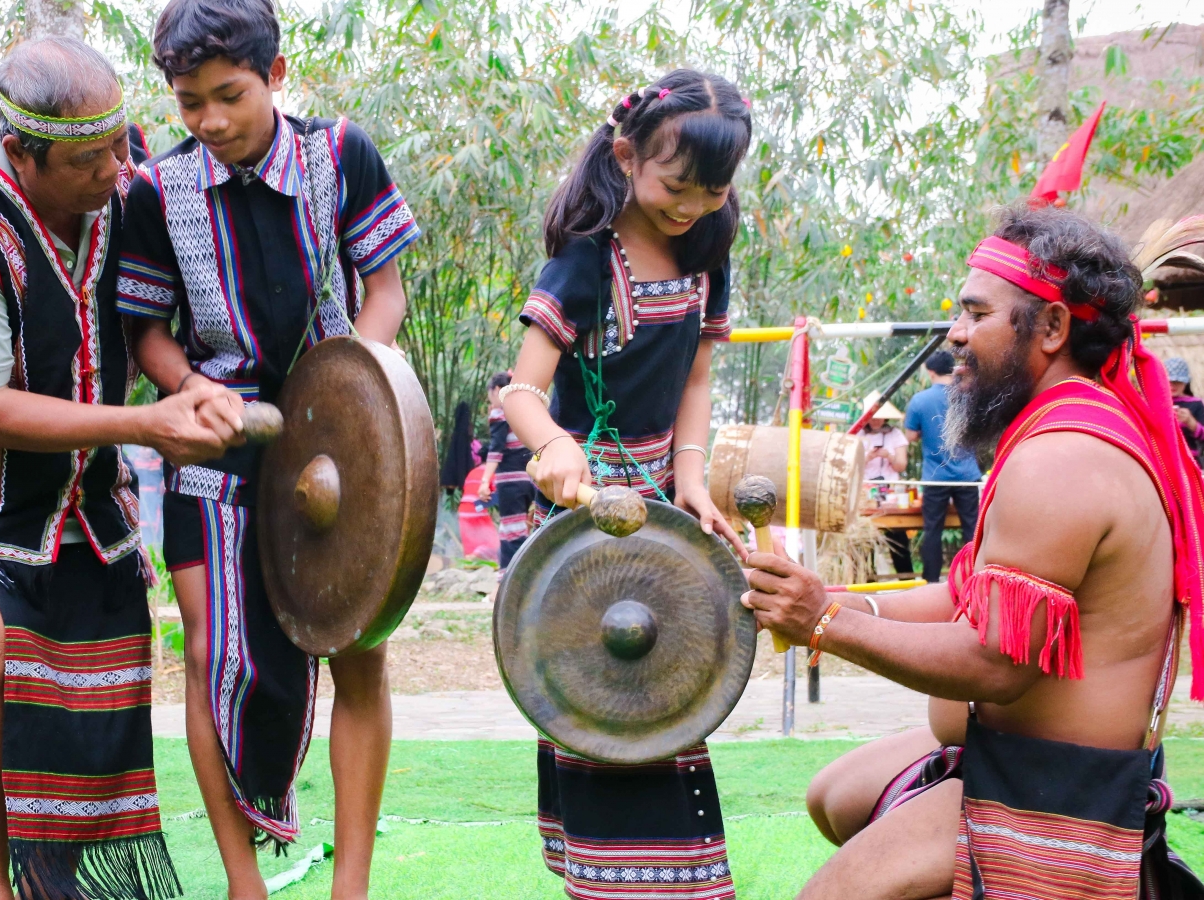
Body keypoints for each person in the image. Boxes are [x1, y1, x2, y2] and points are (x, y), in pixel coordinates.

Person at [744, 205, 1204, 899]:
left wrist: (825, 626)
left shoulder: (1062, 460)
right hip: (1014, 758)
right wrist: (840, 600)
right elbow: (970, 596)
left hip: (1058, 797)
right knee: (836, 794)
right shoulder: (1057, 427)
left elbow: (997, 665)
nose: (955, 333)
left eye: (974, 313)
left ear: (1051, 327)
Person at [0, 37, 242, 900]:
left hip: (79, 488)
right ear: (20, 151)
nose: (118, 171)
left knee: (94, 664)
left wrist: (189, 389)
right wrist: (147, 424)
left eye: (121, 144)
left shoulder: (122, 175)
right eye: (89, 158)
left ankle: (54, 877)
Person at [116, 0, 421, 896]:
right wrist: (188, 388)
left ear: (277, 75)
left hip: (345, 441)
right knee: (215, 658)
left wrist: (360, 396)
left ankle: (350, 884)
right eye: (187, 102)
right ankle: (243, 884)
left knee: (361, 647)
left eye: (229, 95)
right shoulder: (152, 190)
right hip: (215, 447)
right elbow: (147, 331)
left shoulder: (341, 154)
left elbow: (386, 288)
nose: (209, 120)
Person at [502, 69, 750, 900]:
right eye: (677, 186)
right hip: (584, 510)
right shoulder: (584, 263)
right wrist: (559, 447)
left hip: (659, 506)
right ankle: (611, 881)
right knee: (607, 690)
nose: (691, 206)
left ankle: (673, 880)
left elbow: (697, 376)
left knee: (672, 694)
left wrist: (692, 480)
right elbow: (521, 391)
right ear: (625, 156)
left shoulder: (708, 250)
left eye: (712, 192)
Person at [902, 350, 982, 580]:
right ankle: (974, 578)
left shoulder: (920, 400)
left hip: (935, 476)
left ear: (930, 372)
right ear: (951, 369)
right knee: (972, 529)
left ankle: (931, 581)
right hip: (968, 474)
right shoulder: (969, 396)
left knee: (933, 531)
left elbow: (910, 436)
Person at [478, 371, 537, 568]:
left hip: (510, 483)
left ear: (496, 390)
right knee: (510, 530)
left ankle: (519, 579)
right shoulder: (525, 411)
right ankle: (503, 581)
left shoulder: (500, 413)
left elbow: (496, 449)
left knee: (513, 533)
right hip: (528, 481)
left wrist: (485, 480)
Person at [859, 394, 913, 577]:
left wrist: (888, 455)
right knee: (865, 541)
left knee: (897, 537)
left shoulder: (895, 435)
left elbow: (901, 465)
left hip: (890, 492)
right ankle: (867, 581)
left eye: (879, 416)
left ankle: (906, 579)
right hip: (865, 492)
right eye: (872, 416)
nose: (875, 420)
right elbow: (850, 465)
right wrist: (869, 457)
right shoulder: (859, 434)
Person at [1166, 357, 1204, 466]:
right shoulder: (1156, 403)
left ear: (1186, 383)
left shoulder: (1196, 404)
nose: (1173, 385)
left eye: (1178, 381)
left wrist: (1191, 423)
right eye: (1170, 381)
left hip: (1190, 461)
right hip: (1164, 459)